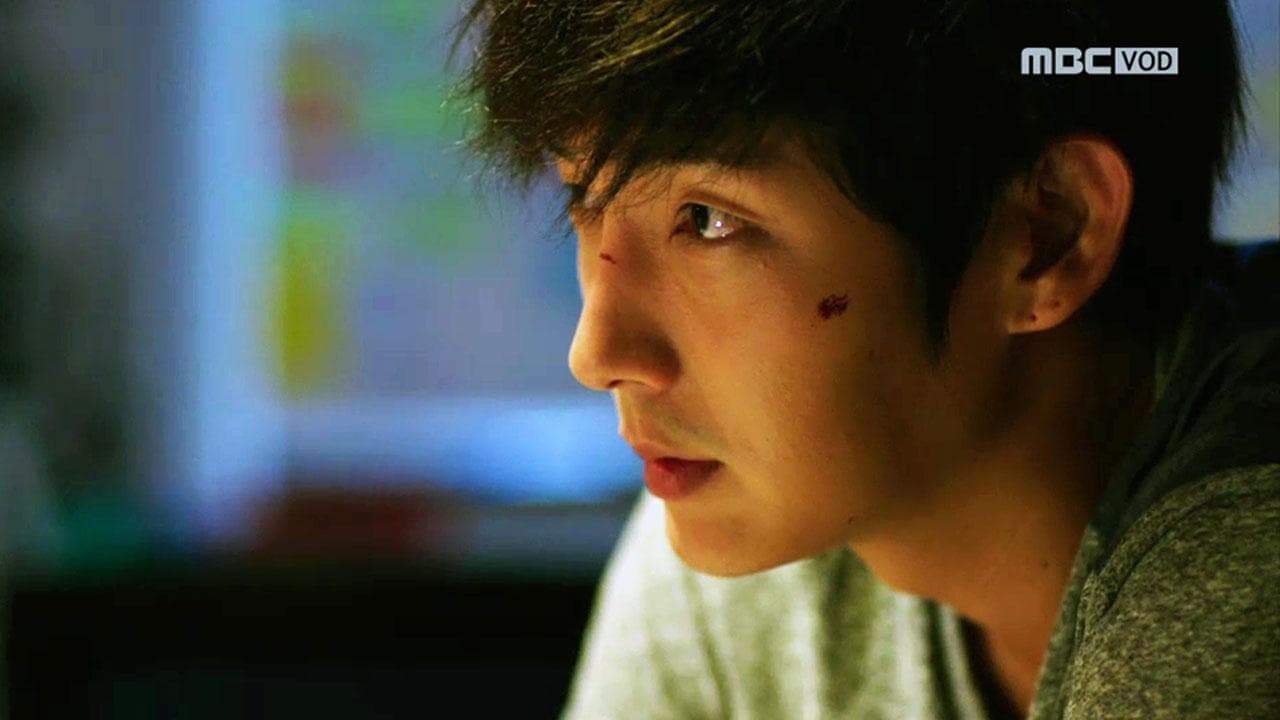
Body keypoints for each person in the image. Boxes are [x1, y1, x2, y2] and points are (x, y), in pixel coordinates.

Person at [452, 1, 1279, 717]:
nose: (597, 355)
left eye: (708, 220)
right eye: (582, 196)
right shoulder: (754, 522)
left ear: (1047, 232)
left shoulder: (1242, 568)